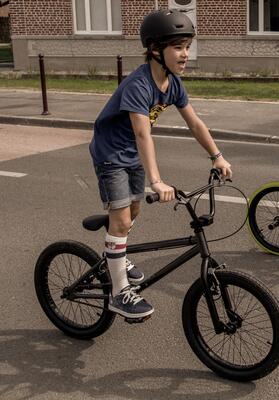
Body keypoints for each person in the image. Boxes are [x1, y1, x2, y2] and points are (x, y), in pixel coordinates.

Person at [89, 9, 232, 319]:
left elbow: (195, 123)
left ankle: (115, 250)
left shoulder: (173, 84)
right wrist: (156, 181)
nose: (185, 54)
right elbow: (143, 134)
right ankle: (119, 292)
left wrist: (217, 155)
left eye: (187, 46)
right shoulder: (139, 85)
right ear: (155, 49)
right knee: (122, 218)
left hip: (132, 154)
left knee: (134, 210)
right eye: (178, 47)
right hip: (111, 153)